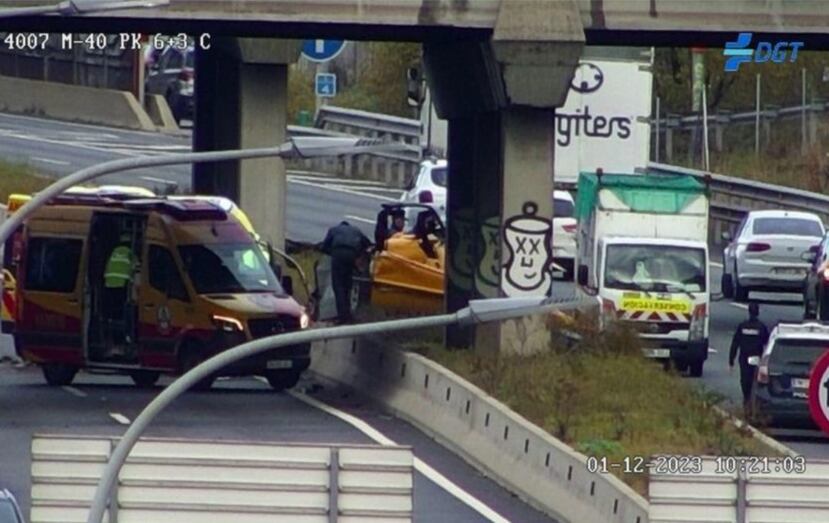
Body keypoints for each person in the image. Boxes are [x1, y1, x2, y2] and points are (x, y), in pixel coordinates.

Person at [321, 220, 371, 324]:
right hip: (351, 255)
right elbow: (368, 244)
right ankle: (348, 315)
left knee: (338, 286)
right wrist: (357, 255)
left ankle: (342, 317)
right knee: (347, 285)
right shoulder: (356, 230)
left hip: (338, 254)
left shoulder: (333, 230)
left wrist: (333, 253)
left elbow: (324, 247)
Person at [729, 302, 770, 414]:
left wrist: (731, 360)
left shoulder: (742, 326)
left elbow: (735, 343)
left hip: (744, 358)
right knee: (755, 381)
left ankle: (747, 401)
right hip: (756, 357)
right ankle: (753, 403)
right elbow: (767, 343)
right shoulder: (761, 327)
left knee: (745, 380)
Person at [103, 233, 136, 347]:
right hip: (122, 285)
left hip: (109, 284)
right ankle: (122, 340)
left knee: (111, 313)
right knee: (122, 312)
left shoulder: (114, 251)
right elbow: (136, 267)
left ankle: (111, 336)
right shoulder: (130, 253)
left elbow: (107, 267)